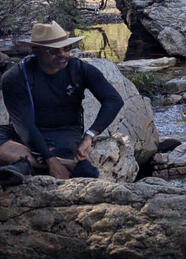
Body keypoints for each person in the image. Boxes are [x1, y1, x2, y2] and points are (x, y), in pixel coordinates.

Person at [0, 22, 124, 186]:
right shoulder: (15, 77)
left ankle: (23, 164)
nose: (63, 54)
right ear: (35, 50)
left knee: (62, 149)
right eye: (53, 51)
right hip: (25, 132)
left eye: (67, 48)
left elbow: (114, 100)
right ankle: (65, 165)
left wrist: (90, 135)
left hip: (63, 133)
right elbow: (25, 126)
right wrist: (52, 161)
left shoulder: (80, 70)